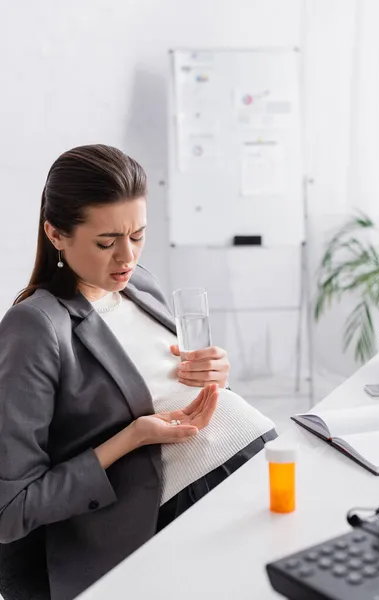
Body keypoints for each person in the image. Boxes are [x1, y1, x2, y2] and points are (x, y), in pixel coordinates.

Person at [0, 145, 277, 600]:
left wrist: (216, 378)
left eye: (138, 236)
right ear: (55, 234)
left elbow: (163, 385)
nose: (126, 258)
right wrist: (132, 437)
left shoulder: (138, 283)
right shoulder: (35, 326)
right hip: (178, 507)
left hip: (254, 460)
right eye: (106, 243)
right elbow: (12, 508)